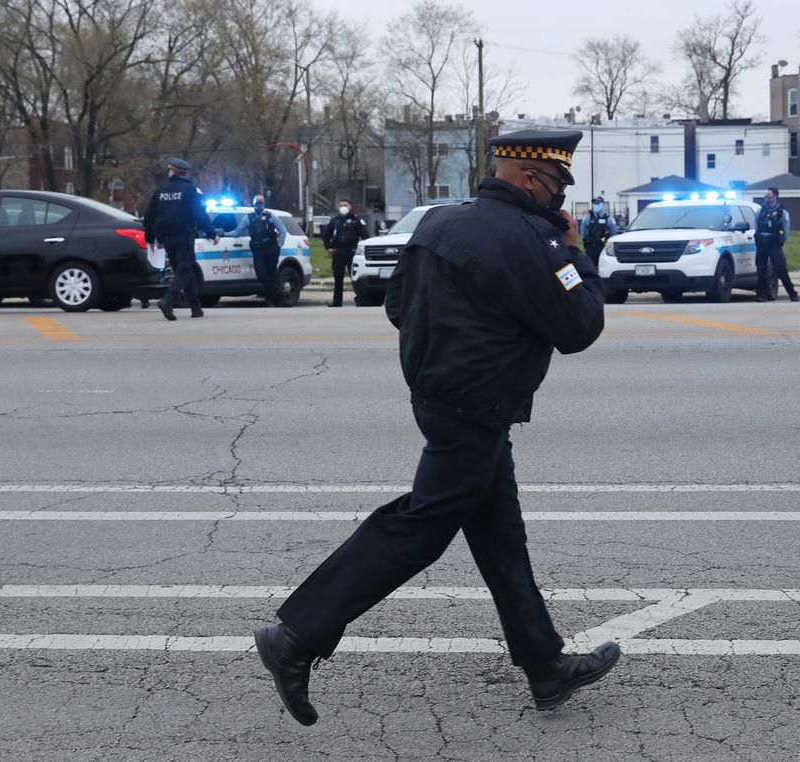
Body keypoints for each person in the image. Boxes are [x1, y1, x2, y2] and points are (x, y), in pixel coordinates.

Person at [254, 128, 618, 725]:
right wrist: (576, 254)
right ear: (529, 178)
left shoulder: (437, 224)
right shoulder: (533, 239)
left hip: (439, 397)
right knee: (420, 526)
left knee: (502, 540)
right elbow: (580, 326)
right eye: (555, 185)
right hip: (478, 407)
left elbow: (398, 306)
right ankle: (295, 635)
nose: (558, 200)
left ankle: (546, 667)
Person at [141, 157, 218, 320]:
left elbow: (149, 214)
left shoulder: (161, 189)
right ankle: (168, 300)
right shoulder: (190, 190)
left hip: (166, 238)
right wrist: (212, 234)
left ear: (173, 171)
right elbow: (199, 214)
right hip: (184, 235)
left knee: (184, 271)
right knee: (184, 269)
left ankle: (196, 308)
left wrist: (149, 237)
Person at [226, 195, 285, 306]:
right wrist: (222, 234)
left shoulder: (271, 216)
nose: (259, 204)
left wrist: (279, 246)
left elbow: (283, 231)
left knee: (272, 274)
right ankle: (279, 293)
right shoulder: (248, 218)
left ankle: (272, 300)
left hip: (271, 249)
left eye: (261, 202)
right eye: (257, 202)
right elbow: (237, 232)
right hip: (258, 250)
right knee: (261, 274)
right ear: (254, 204)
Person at [754, 187, 799, 302]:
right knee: (761, 269)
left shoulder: (782, 212)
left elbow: (786, 229)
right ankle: (761, 295)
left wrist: (781, 240)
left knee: (780, 268)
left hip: (774, 243)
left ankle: (792, 294)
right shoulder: (760, 211)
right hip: (762, 243)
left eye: (769, 196)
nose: (767, 199)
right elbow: (756, 225)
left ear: (775, 197)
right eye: (766, 196)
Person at [321, 199, 368, 306]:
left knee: (355, 278)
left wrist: (360, 250)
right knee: (338, 278)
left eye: (345, 205)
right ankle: (337, 302)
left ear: (350, 206)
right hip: (338, 253)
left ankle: (361, 300)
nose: (343, 207)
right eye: (341, 205)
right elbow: (326, 236)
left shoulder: (356, 220)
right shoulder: (334, 221)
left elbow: (365, 236)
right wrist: (328, 247)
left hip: (352, 253)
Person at [579, 195, 618, 267]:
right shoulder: (587, 218)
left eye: (598, 203)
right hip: (590, 248)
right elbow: (583, 234)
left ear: (602, 204)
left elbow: (613, 234)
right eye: (594, 203)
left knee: (603, 267)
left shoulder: (608, 218)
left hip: (603, 247)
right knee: (591, 267)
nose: (596, 205)